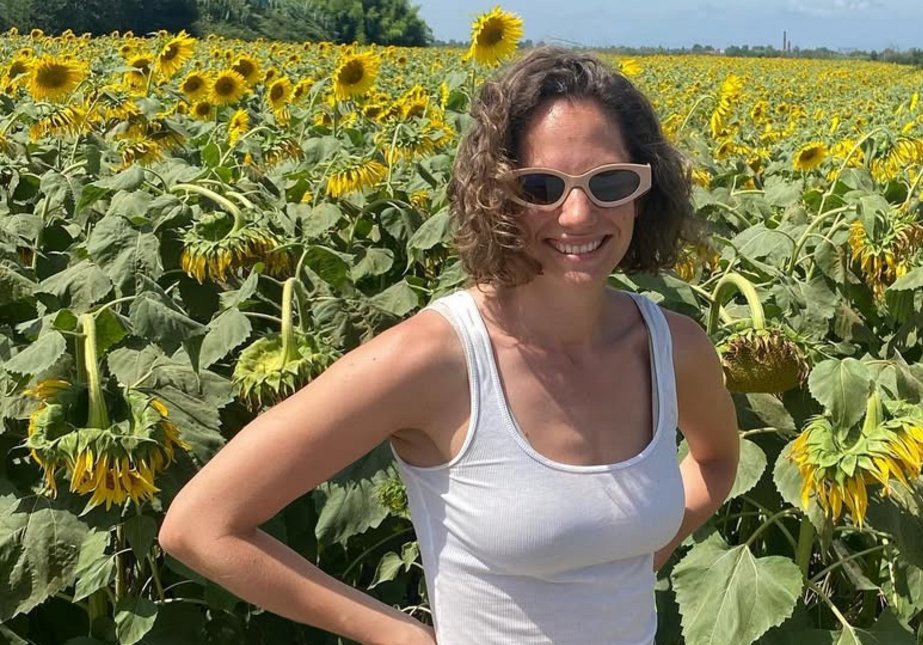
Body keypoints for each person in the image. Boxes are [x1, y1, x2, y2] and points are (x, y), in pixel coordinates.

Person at [159, 46, 740, 645]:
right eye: (540, 187)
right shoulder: (436, 360)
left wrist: (631, 560)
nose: (577, 214)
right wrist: (402, 636)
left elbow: (717, 459)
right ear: (496, 195)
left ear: (644, 191)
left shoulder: (673, 349)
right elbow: (201, 524)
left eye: (609, 182)